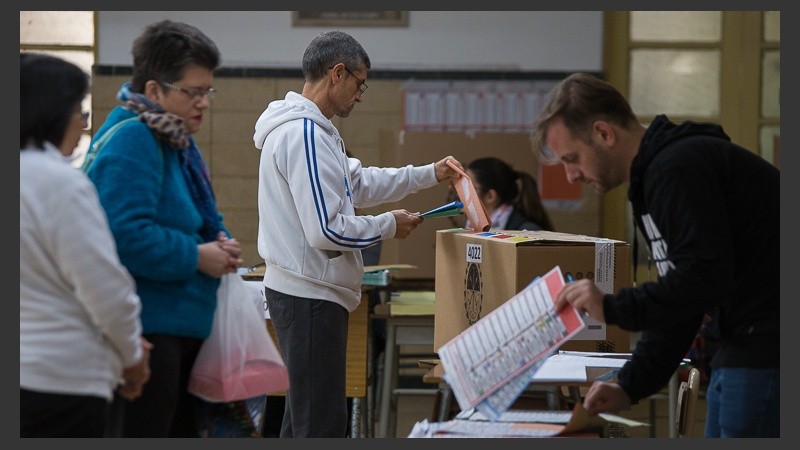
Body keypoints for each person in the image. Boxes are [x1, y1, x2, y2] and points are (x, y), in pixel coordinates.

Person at [536, 72, 779, 437]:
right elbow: (682, 299)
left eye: (572, 158)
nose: (571, 176)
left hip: (766, 342)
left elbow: (702, 277)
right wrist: (630, 385)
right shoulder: (658, 175)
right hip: (742, 340)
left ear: (604, 134)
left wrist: (614, 307)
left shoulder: (676, 169)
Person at [252, 30, 464, 438]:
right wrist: (388, 225)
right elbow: (326, 229)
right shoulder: (305, 135)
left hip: (307, 292)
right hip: (309, 296)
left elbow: (359, 183)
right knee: (321, 426)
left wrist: (428, 174)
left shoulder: (317, 131)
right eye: (360, 82)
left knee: (303, 420)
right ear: (337, 73)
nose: (361, 94)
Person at [84, 20, 242, 437]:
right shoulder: (133, 138)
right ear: (154, 91)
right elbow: (123, 235)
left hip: (179, 327)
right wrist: (197, 255)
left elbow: (195, 210)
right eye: (193, 92)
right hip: (151, 331)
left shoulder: (172, 136)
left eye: (208, 90)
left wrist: (220, 241)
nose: (204, 102)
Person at [20, 53, 151, 437]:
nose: (82, 123)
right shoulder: (59, 183)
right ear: (53, 113)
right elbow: (104, 288)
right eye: (80, 110)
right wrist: (132, 356)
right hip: (60, 380)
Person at [466, 156, 554, 231]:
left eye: (468, 187)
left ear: (490, 196)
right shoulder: (473, 225)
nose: (461, 193)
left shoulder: (528, 231)